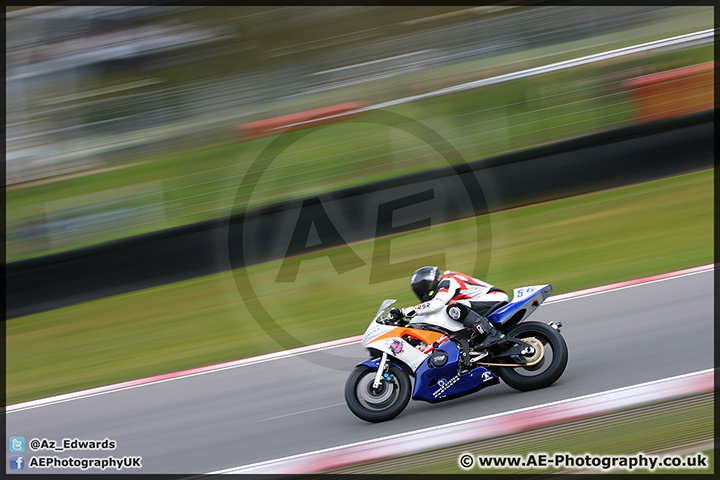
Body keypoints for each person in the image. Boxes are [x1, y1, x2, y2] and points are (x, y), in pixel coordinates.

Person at [388, 266, 509, 350]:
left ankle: (492, 334)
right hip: (479, 302)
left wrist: (404, 311)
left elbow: (436, 304)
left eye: (420, 289)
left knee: (453, 309)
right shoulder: (446, 281)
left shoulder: (448, 281)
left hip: (493, 297)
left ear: (428, 284)